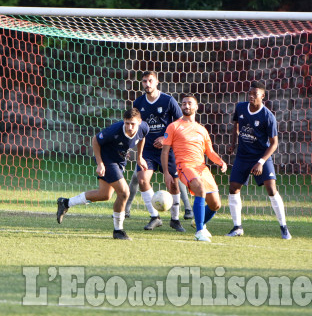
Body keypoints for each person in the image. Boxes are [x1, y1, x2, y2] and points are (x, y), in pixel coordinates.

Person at [56, 108, 149, 240]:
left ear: (139, 122)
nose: (129, 126)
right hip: (107, 160)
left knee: (104, 195)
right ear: (123, 121)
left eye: (132, 124)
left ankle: (65, 203)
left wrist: (139, 157)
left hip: (120, 161)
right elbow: (95, 140)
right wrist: (100, 163)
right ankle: (118, 231)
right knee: (124, 193)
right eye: (127, 123)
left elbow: (142, 138)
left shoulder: (144, 127)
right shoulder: (115, 130)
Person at [124, 71, 192, 232]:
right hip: (147, 149)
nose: (147, 84)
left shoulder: (168, 101)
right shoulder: (139, 103)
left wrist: (165, 138)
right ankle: (155, 217)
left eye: (150, 81)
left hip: (168, 150)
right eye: (145, 81)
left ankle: (175, 220)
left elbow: (181, 123)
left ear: (157, 82)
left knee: (173, 184)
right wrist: (127, 146)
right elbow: (133, 127)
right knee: (141, 179)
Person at [226, 81, 291, 240]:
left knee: (271, 188)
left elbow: (274, 143)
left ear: (263, 96)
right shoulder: (241, 107)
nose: (251, 96)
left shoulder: (268, 117)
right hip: (243, 155)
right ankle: (237, 227)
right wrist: (233, 143)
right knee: (234, 187)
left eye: (255, 94)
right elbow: (236, 124)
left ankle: (284, 227)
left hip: (261, 155)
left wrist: (261, 162)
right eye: (250, 94)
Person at [161, 94, 227, 242]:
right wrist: (167, 173)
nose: (186, 106)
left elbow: (209, 152)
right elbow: (165, 151)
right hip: (184, 166)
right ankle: (199, 231)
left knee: (215, 204)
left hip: (201, 167)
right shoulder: (174, 126)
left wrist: (221, 162)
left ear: (196, 107)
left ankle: (199, 222)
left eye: (190, 103)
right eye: (183, 103)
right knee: (200, 189)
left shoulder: (202, 130)